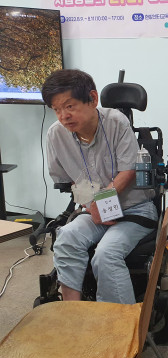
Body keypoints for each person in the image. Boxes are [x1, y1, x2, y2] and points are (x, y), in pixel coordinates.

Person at [42, 69, 157, 304]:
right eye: (56, 109)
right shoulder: (56, 135)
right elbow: (68, 180)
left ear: (93, 99)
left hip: (134, 210)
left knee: (106, 254)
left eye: (69, 106)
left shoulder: (116, 122)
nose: (63, 116)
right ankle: (72, 311)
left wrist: (102, 204)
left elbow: (129, 170)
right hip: (92, 211)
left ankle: (119, 322)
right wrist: (91, 205)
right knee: (65, 239)